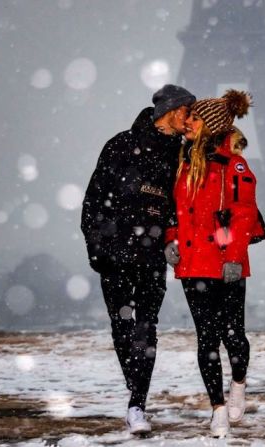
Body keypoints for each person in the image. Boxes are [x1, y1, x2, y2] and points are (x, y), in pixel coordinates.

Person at [80, 84, 195, 434]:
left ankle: (136, 404)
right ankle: (136, 392)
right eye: (188, 112)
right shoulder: (120, 146)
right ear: (173, 111)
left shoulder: (184, 155)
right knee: (123, 328)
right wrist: (98, 248)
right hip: (115, 254)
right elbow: (93, 200)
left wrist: (172, 242)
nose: (191, 120)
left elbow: (183, 205)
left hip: (151, 256)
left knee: (146, 330)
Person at [164, 90, 265, 437]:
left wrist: (235, 258)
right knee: (206, 338)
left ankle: (238, 382)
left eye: (195, 117)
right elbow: (174, 210)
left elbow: (244, 213)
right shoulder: (185, 162)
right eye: (188, 116)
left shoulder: (235, 165)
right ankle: (217, 408)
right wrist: (171, 240)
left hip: (225, 263)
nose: (187, 122)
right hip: (193, 264)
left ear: (211, 124)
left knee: (233, 335)